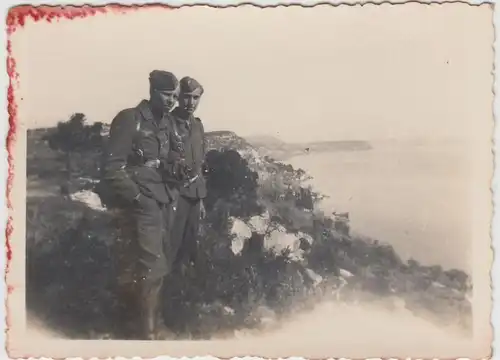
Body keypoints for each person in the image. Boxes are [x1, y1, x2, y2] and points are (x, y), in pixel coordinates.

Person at [101, 70, 182, 340]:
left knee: (162, 264)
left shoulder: (167, 123)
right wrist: (137, 198)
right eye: (167, 95)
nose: (172, 100)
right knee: (150, 267)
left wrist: (171, 167)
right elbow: (112, 169)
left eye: (174, 96)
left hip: (165, 200)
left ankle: (155, 324)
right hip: (144, 205)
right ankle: (148, 333)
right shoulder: (130, 119)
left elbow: (171, 158)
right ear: (153, 91)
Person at [168, 76, 208, 275]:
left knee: (190, 245)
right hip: (174, 194)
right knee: (171, 247)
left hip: (194, 195)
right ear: (177, 97)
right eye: (186, 97)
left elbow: (200, 163)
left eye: (195, 98)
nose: (191, 103)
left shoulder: (198, 126)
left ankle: (183, 293)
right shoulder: (167, 124)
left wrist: (200, 200)